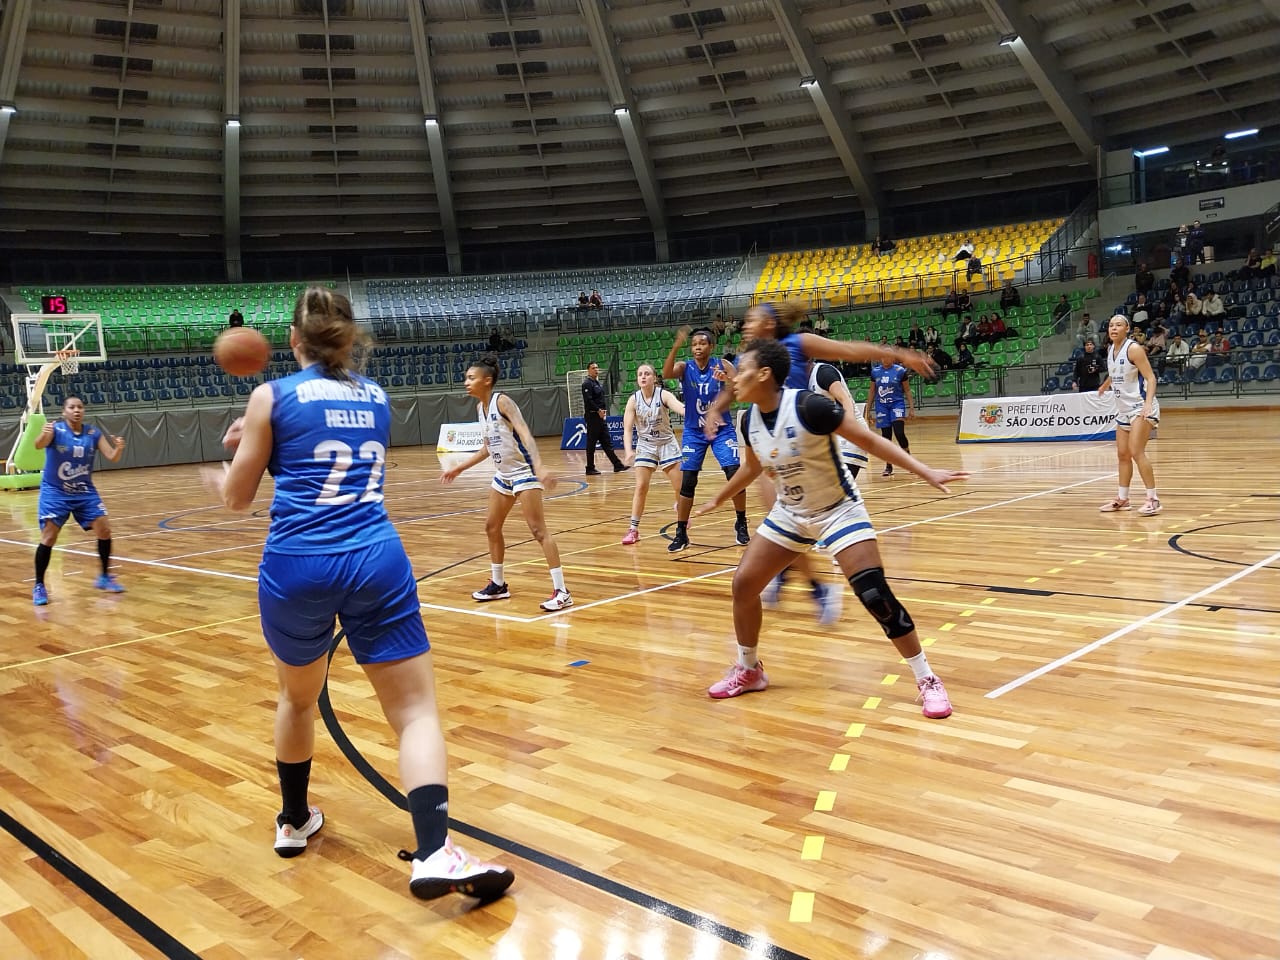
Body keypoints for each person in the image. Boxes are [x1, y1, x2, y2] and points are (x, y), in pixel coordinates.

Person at [204, 287, 514, 902]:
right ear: (348, 339)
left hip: (298, 565)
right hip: (376, 557)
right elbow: (323, 447)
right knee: (415, 713)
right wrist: (264, 438)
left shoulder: (271, 395)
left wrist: (234, 454)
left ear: (293, 341)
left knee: (298, 700)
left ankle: (294, 821)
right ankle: (432, 853)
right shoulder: (376, 397)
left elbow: (239, 498)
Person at [693, 339, 966, 716]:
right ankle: (749, 669)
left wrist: (925, 471)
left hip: (838, 509)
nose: (734, 378)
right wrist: (719, 499)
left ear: (765, 374)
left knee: (875, 595)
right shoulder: (748, 419)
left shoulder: (809, 406)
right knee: (743, 585)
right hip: (790, 512)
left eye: (742, 369)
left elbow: (869, 440)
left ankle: (927, 679)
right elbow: (753, 469)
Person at [710, 301, 938, 618]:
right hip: (772, 441)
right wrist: (714, 407)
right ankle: (807, 581)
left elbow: (848, 350)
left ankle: (809, 578)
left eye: (752, 320)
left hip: (807, 438)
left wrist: (899, 355)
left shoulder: (796, 344)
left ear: (770, 324)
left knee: (793, 513)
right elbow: (733, 390)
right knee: (779, 512)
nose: (746, 325)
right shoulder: (747, 360)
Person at [441, 356, 573, 611]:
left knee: (538, 531)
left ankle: (562, 591)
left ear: (486, 380)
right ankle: (498, 584)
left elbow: (525, 433)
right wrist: (458, 467)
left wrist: (540, 466)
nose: (466, 382)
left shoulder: (502, 401)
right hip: (504, 476)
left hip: (524, 472)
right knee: (491, 527)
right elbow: (487, 449)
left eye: (471, 377)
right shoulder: (480, 409)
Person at [661, 326, 750, 552]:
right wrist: (676, 345)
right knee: (688, 480)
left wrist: (727, 381)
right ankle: (681, 531)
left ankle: (741, 521)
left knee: (733, 473)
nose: (697, 347)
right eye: (694, 344)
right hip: (694, 431)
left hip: (721, 430)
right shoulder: (685, 367)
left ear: (711, 346)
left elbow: (741, 390)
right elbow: (666, 373)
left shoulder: (723, 365)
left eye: (702, 343)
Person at [31, 396, 126, 605]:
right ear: (64, 411)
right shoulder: (55, 430)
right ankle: (39, 585)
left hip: (84, 491)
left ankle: (104, 576)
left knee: (105, 529)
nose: (76, 410)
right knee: (49, 537)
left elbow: (112, 456)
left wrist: (118, 447)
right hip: (56, 491)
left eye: (80, 407)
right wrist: (43, 434)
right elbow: (38, 445)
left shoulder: (93, 433)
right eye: (72, 407)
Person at [1098, 314, 1162, 517]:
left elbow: (1151, 378)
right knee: (1122, 455)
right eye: (1110, 325)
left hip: (1141, 406)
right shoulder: (1111, 349)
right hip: (1124, 410)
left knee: (1136, 451)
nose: (1113, 328)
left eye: (1118, 325)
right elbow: (1116, 372)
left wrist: (1148, 404)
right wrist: (1105, 385)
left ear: (1127, 328)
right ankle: (1123, 499)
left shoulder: (1134, 349)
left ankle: (1153, 499)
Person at [620, 363, 685, 545]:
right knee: (641, 487)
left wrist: (694, 411)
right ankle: (633, 530)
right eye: (640, 374)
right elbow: (627, 429)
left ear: (654, 378)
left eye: (647, 373)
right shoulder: (633, 400)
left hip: (666, 443)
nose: (643, 377)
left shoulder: (663, 394)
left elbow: (679, 408)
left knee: (679, 487)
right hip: (646, 444)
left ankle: (682, 513)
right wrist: (628, 451)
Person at [866, 354, 914, 477]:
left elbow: (907, 390)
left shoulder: (900, 371)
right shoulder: (875, 372)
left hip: (896, 404)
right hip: (882, 406)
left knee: (899, 432)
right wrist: (868, 410)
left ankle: (909, 460)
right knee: (886, 436)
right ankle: (888, 465)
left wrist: (911, 408)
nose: (885, 359)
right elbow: (872, 391)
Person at [580, 361, 626, 476]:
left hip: (601, 417)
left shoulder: (597, 383)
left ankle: (617, 465)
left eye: (597, 367)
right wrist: (598, 410)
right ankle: (590, 467)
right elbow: (588, 400)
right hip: (593, 417)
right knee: (591, 443)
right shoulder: (587, 384)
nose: (596, 370)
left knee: (606, 442)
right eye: (593, 368)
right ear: (588, 370)